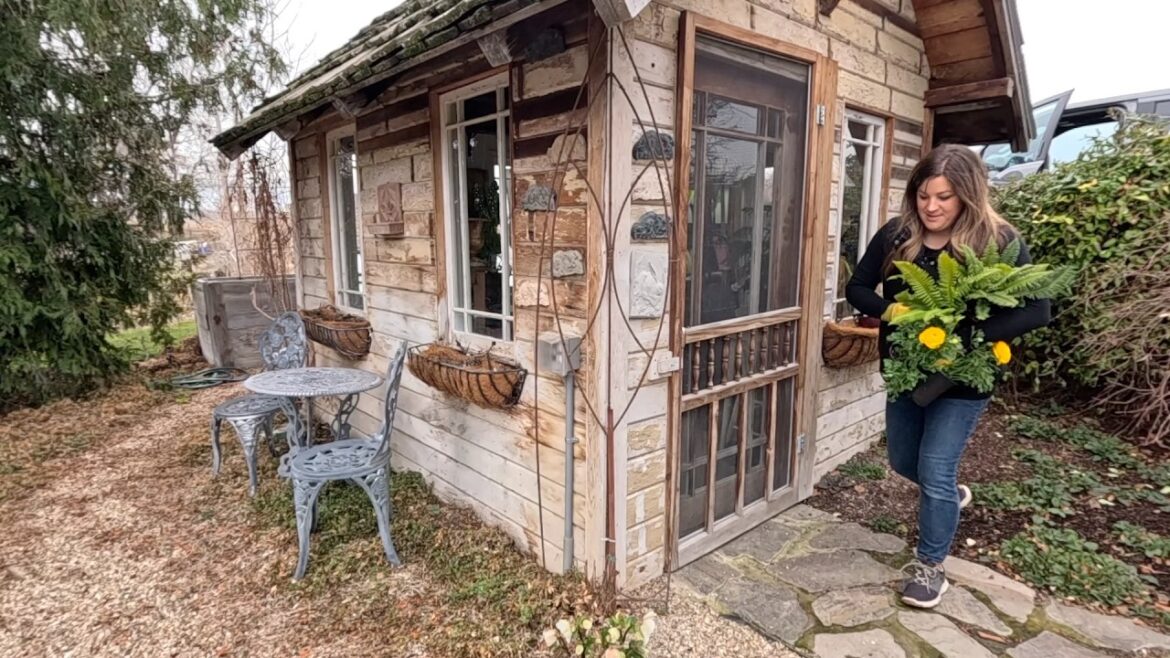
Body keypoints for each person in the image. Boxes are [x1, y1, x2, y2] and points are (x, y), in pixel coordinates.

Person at [845, 144, 1051, 609]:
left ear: (968, 196)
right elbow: (856, 287)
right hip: (905, 372)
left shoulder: (998, 242)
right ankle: (951, 496)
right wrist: (890, 310)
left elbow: (1038, 309)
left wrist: (967, 332)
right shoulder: (897, 236)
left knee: (935, 466)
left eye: (944, 197)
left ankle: (930, 567)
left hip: (964, 379)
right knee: (903, 462)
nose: (931, 207)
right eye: (923, 195)